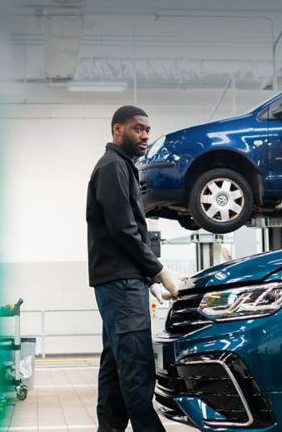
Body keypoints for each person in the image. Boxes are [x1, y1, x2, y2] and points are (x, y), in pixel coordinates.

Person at [86, 105, 183, 432]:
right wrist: (158, 271)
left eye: (147, 130)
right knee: (136, 369)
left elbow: (125, 233)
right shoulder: (113, 167)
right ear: (117, 130)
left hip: (124, 281)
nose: (145, 135)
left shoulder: (121, 167)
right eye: (137, 129)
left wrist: (146, 277)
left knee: (115, 368)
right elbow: (123, 230)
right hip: (122, 284)